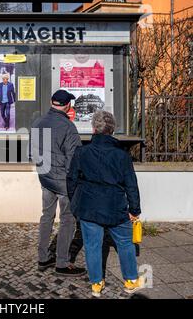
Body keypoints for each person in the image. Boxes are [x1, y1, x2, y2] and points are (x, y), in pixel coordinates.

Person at [67, 110, 145, 297]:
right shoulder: (122, 155)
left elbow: (71, 180)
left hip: (89, 206)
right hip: (115, 206)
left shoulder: (82, 152)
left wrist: (75, 203)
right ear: (112, 130)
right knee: (125, 243)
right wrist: (134, 209)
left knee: (92, 245)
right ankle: (131, 281)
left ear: (94, 129)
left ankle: (96, 284)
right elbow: (131, 184)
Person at [30, 89, 86, 277]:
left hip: (45, 177)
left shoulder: (38, 122)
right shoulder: (68, 127)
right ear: (67, 105)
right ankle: (62, 263)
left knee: (47, 215)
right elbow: (75, 159)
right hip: (63, 181)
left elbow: (33, 153)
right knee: (68, 219)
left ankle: (43, 257)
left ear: (52, 102)